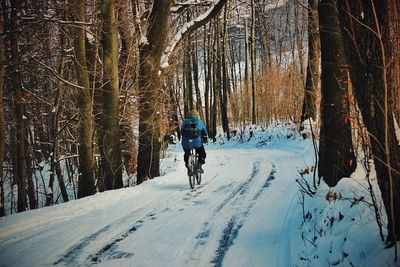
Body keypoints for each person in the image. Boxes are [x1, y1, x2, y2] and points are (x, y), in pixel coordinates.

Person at [180, 109, 208, 174]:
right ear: (197, 115)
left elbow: (181, 130)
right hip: (197, 143)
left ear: (190, 115)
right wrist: (205, 138)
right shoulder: (199, 122)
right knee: (202, 153)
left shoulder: (185, 121)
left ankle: (188, 166)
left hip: (186, 143)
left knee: (187, 153)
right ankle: (199, 166)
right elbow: (205, 132)